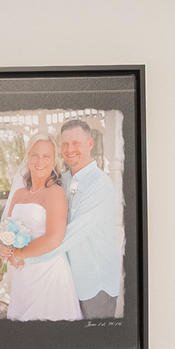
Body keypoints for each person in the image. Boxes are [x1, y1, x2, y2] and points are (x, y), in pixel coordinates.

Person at [0, 135, 82, 320]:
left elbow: (54, 238)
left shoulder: (55, 193)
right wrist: (5, 247)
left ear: (53, 161)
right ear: (27, 157)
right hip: (21, 275)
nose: (40, 161)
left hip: (48, 274)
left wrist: (17, 254)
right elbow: (7, 229)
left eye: (46, 156)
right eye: (35, 155)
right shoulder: (18, 194)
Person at [58, 117, 124, 322]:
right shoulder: (62, 180)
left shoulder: (99, 185)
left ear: (90, 143)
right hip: (69, 282)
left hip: (95, 286)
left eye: (76, 143)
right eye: (65, 144)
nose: (70, 149)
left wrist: (30, 254)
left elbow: (71, 233)